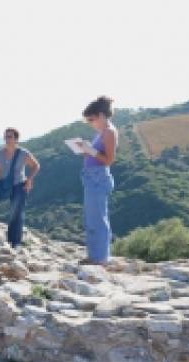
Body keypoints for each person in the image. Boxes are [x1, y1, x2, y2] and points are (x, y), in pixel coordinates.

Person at [79, 96, 118, 264]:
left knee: (98, 219)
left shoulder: (109, 132)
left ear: (101, 115)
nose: (90, 123)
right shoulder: (101, 132)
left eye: (91, 119)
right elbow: (97, 155)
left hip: (98, 178)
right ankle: (94, 255)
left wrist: (91, 151)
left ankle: (100, 258)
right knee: (92, 218)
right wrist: (87, 151)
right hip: (91, 177)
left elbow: (109, 160)